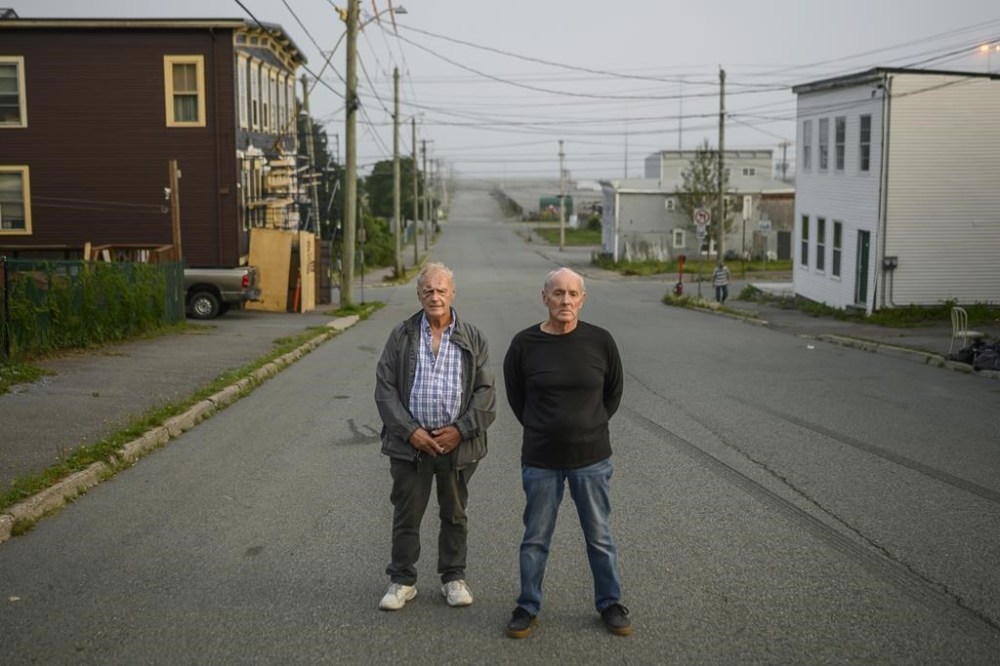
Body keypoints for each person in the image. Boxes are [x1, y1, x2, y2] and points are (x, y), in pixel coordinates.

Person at [502, 267, 631, 638]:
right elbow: (516, 396)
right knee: (536, 538)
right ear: (544, 297)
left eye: (573, 294)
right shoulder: (524, 344)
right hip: (541, 460)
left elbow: (613, 393)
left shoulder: (601, 341)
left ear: (583, 299)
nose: (565, 301)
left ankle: (610, 603)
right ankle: (527, 606)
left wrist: (588, 425)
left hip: (592, 459)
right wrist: (543, 427)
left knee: (599, 536)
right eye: (558, 294)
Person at [374, 263, 496, 611]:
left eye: (441, 290)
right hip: (409, 445)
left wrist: (460, 430)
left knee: (454, 513)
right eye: (428, 290)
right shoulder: (401, 335)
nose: (435, 296)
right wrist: (411, 431)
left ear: (453, 293)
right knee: (406, 514)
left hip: (455, 445)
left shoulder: (473, 338)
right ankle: (402, 581)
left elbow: (486, 394)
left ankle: (453, 578)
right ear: (419, 294)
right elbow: (384, 390)